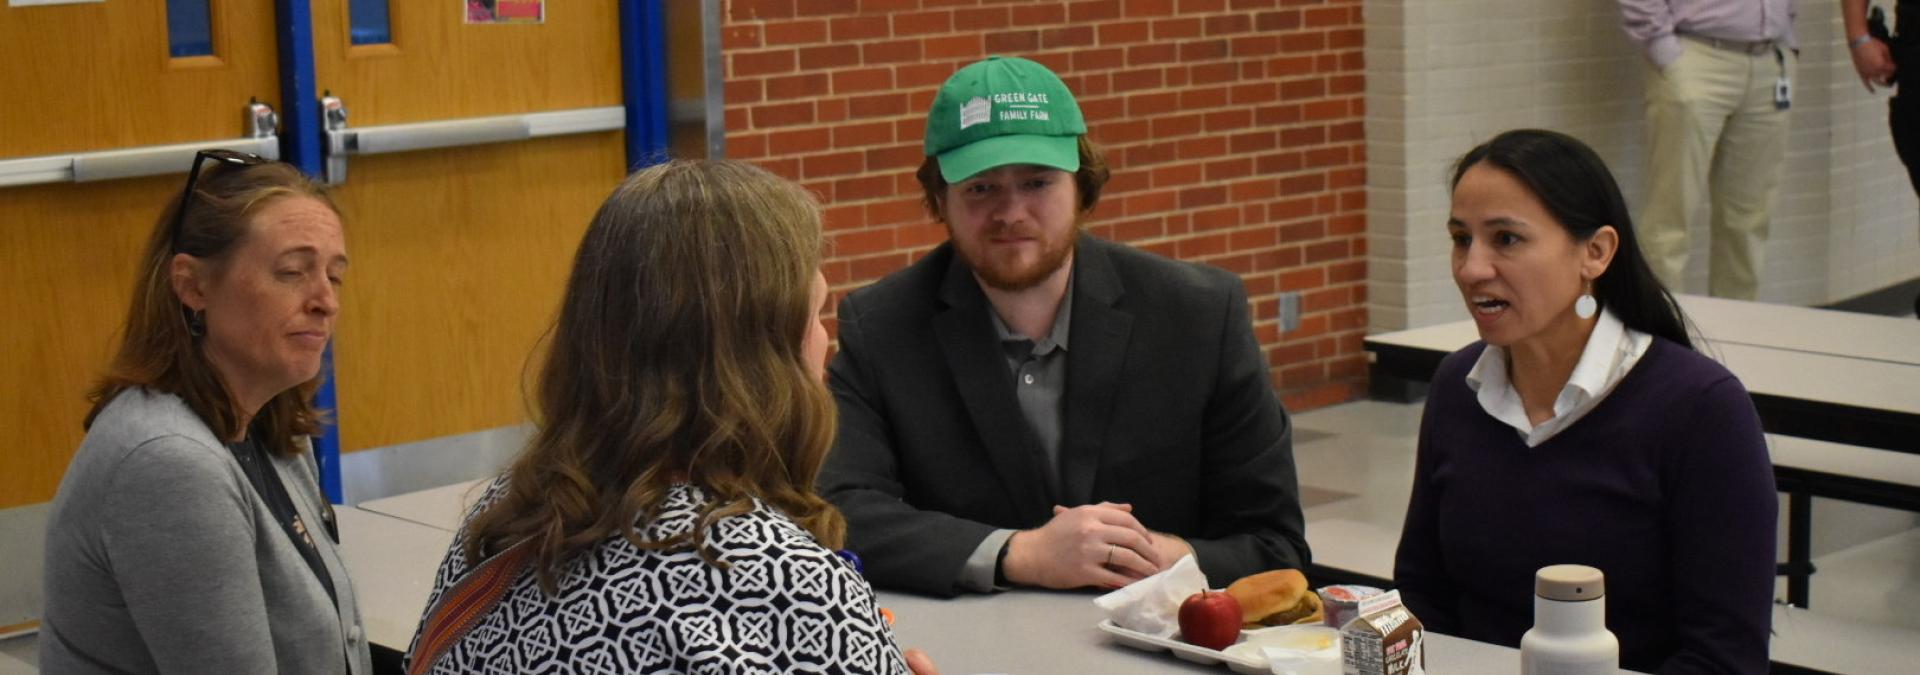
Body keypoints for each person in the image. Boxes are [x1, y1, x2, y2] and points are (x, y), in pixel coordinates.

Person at [405, 160, 936, 674]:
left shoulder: (508, 520)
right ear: (759, 356)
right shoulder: (786, 585)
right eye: (815, 315)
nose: (827, 341)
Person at [819, 56, 1309, 597]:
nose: (1011, 211)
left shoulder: (1198, 315)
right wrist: (1019, 553)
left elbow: (1275, 542)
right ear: (940, 199)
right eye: (980, 188)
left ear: (1083, 187)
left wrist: (1165, 556)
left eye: (1037, 182)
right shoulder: (883, 326)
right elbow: (840, 513)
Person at [1393, 130, 1775, 673]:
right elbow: (1423, 593)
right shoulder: (1459, 386)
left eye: (1505, 239)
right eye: (1461, 238)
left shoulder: (1700, 409)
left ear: (1595, 253)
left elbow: (1724, 657)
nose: (1472, 268)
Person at [40, 151, 370, 674]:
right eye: (292, 272)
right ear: (193, 286)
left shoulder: (266, 422)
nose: (324, 301)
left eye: (334, 276)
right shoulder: (169, 464)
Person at [1618, 0, 1798, 300]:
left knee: (1749, 219)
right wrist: (1664, 50)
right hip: (1696, 56)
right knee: (1670, 216)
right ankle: (1665, 334)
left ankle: (1739, 328)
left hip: (1770, 62)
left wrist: (1788, 39)